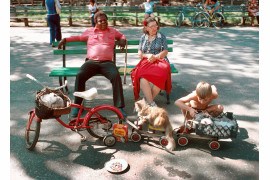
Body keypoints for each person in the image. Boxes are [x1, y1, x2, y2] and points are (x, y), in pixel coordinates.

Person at [57, 12, 127, 117]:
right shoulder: (90, 31)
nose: (103, 22)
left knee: (115, 76)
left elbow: (121, 35)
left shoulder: (112, 31)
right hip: (91, 62)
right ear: (95, 23)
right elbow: (79, 37)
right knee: (80, 75)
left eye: (105, 20)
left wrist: (122, 39)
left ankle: (119, 107)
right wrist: (65, 39)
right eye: (100, 21)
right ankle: (78, 105)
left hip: (107, 63)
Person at [131, 17, 172, 107]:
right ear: (146, 28)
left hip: (160, 59)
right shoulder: (143, 37)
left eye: (155, 26)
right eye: (151, 26)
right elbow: (139, 53)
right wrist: (148, 56)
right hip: (147, 60)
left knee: (162, 74)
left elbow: (165, 51)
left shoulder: (161, 36)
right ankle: (151, 103)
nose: (154, 28)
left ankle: (148, 103)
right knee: (142, 77)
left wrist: (156, 57)